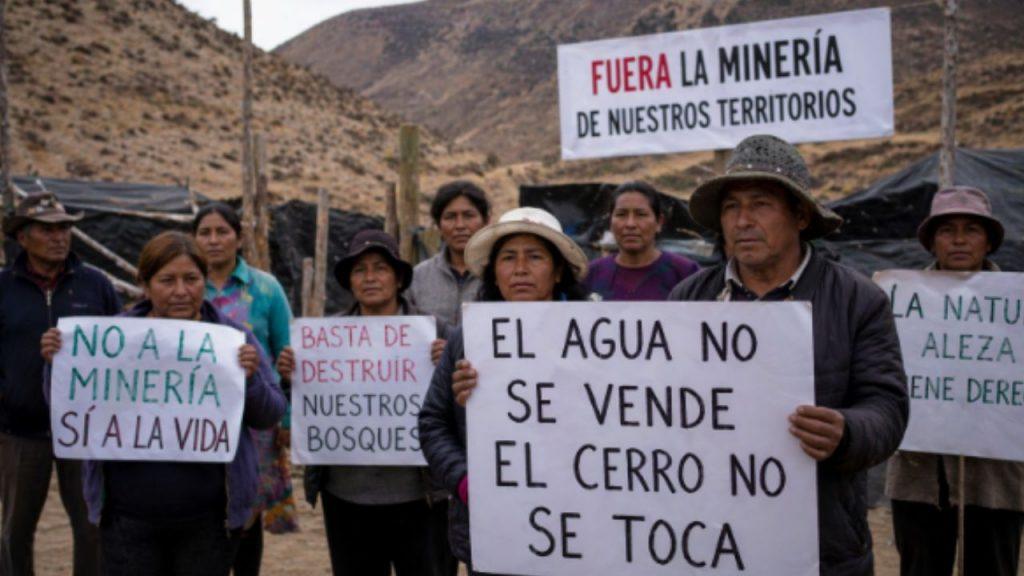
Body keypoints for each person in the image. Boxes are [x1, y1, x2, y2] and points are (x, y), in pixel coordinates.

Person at [667, 135, 909, 576]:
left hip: (823, 541)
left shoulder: (858, 300)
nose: (742, 221)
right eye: (730, 207)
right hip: (711, 537)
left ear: (800, 215)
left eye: (760, 204)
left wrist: (846, 433)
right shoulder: (688, 299)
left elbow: (887, 408)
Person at [40, 231, 286, 576]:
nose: (181, 291)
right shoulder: (111, 338)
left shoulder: (232, 339)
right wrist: (58, 364)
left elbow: (270, 412)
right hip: (126, 519)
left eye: (191, 279)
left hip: (210, 521)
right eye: (167, 280)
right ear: (145, 283)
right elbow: (69, 407)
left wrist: (251, 377)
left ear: (204, 280)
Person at [418, 207, 590, 575]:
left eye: (536, 257)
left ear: (558, 270)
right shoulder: (468, 341)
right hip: (494, 527)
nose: (520, 269)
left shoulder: (595, 341)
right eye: (508, 258)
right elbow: (433, 421)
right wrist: (465, 481)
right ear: (494, 273)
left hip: (579, 524)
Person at [276, 229, 453, 576]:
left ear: (399, 277)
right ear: (350, 281)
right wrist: (290, 376)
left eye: (380, 268)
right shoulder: (323, 339)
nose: (370, 278)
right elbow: (300, 408)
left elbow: (463, 407)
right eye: (360, 270)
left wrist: (450, 365)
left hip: (422, 497)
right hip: (346, 498)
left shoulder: (437, 333)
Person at [886, 186, 1024, 576]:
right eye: (947, 230)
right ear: (932, 241)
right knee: (921, 567)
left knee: (993, 566)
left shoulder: (1017, 303)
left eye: (972, 230)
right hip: (919, 473)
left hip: (996, 476)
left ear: (989, 241)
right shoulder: (898, 301)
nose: (959, 240)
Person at [0, 193, 120, 576]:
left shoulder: (95, 284)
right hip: (18, 430)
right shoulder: (3, 287)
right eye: (47, 229)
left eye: (65, 227)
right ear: (22, 237)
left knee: (91, 526)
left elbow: (122, 345)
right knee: (15, 530)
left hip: (85, 431)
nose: (59, 236)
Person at [192, 203, 297, 576]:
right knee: (204, 502)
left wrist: (285, 417)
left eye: (222, 231)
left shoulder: (266, 288)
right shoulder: (186, 286)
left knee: (248, 507)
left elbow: (286, 357)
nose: (214, 240)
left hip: (254, 422)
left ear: (239, 237)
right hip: (193, 421)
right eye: (205, 232)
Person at [585, 181, 699, 300]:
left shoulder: (686, 273)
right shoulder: (591, 275)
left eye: (641, 214)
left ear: (659, 222)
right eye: (621, 214)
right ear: (610, 222)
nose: (630, 224)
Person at [408, 181, 490, 326]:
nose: (460, 225)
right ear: (438, 226)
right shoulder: (418, 277)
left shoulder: (499, 275)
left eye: (468, 216)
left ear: (486, 222)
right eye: (450, 217)